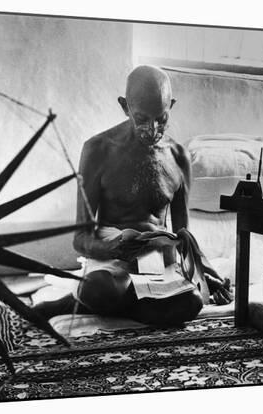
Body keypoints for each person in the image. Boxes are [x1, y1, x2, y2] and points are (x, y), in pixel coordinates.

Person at [33, 65, 232, 326]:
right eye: (142, 118)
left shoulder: (179, 157)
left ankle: (87, 305)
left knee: (193, 301)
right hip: (113, 266)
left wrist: (203, 271)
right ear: (125, 107)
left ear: (171, 105)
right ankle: (111, 303)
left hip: (159, 269)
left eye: (162, 119)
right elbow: (80, 238)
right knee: (98, 287)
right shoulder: (98, 150)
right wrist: (111, 248)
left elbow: (183, 235)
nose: (152, 129)